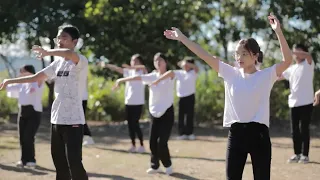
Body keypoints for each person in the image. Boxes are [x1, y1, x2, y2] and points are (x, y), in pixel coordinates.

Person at [163, 14, 292, 180]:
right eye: (237, 54)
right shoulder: (230, 73)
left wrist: (278, 31)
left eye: (244, 54)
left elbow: (287, 60)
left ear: (255, 56)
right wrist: (182, 38)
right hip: (236, 134)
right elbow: (204, 55)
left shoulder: (267, 75)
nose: (239, 58)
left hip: (259, 135)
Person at [0, 24, 88, 180]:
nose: (60, 41)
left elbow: (68, 53)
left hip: (74, 120)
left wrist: (48, 52)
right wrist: (10, 81)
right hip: (56, 119)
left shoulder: (80, 60)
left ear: (75, 41)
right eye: (58, 38)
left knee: (74, 161)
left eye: (64, 38)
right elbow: (35, 77)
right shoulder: (57, 64)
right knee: (59, 163)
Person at [112, 53, 175, 175]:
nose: (157, 62)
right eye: (155, 60)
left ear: (165, 62)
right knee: (152, 142)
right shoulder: (151, 76)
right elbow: (137, 78)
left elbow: (170, 73)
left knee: (162, 143)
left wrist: (157, 80)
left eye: (160, 60)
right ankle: (155, 165)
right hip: (154, 113)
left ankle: (168, 164)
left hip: (167, 112)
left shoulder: (169, 75)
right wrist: (121, 80)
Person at [101, 54, 147, 153]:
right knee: (130, 125)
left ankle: (142, 145)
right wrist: (107, 65)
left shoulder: (142, 72)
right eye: (132, 61)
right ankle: (133, 145)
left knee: (135, 124)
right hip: (128, 101)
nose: (133, 62)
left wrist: (131, 67)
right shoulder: (128, 72)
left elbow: (143, 67)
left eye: (135, 61)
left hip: (138, 102)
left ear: (139, 62)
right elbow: (117, 69)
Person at [279, 44, 314, 164]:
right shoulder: (291, 68)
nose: (296, 54)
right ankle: (297, 153)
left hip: (306, 102)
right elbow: (278, 76)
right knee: (294, 131)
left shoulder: (308, 64)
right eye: (295, 52)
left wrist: (292, 52)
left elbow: (308, 55)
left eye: (299, 51)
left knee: (304, 129)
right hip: (293, 103)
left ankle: (305, 155)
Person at [5, 65, 44, 168]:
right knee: (22, 137)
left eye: (22, 71)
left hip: (34, 112)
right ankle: (23, 160)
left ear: (28, 71)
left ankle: (31, 159)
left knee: (28, 136)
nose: (20, 73)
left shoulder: (38, 80)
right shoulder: (21, 84)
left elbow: (40, 79)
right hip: (22, 111)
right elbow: (9, 87)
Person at [151, 57, 199, 140]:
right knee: (181, 116)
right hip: (181, 97)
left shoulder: (193, 73)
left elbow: (196, 67)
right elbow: (170, 72)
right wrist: (158, 79)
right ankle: (182, 133)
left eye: (187, 65)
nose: (185, 66)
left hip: (190, 96)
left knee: (189, 116)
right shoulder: (179, 73)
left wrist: (188, 64)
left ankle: (190, 133)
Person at [82, 78, 95, 146]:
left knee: (81, 118)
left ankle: (88, 137)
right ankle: (86, 137)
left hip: (81, 98)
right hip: (80, 98)